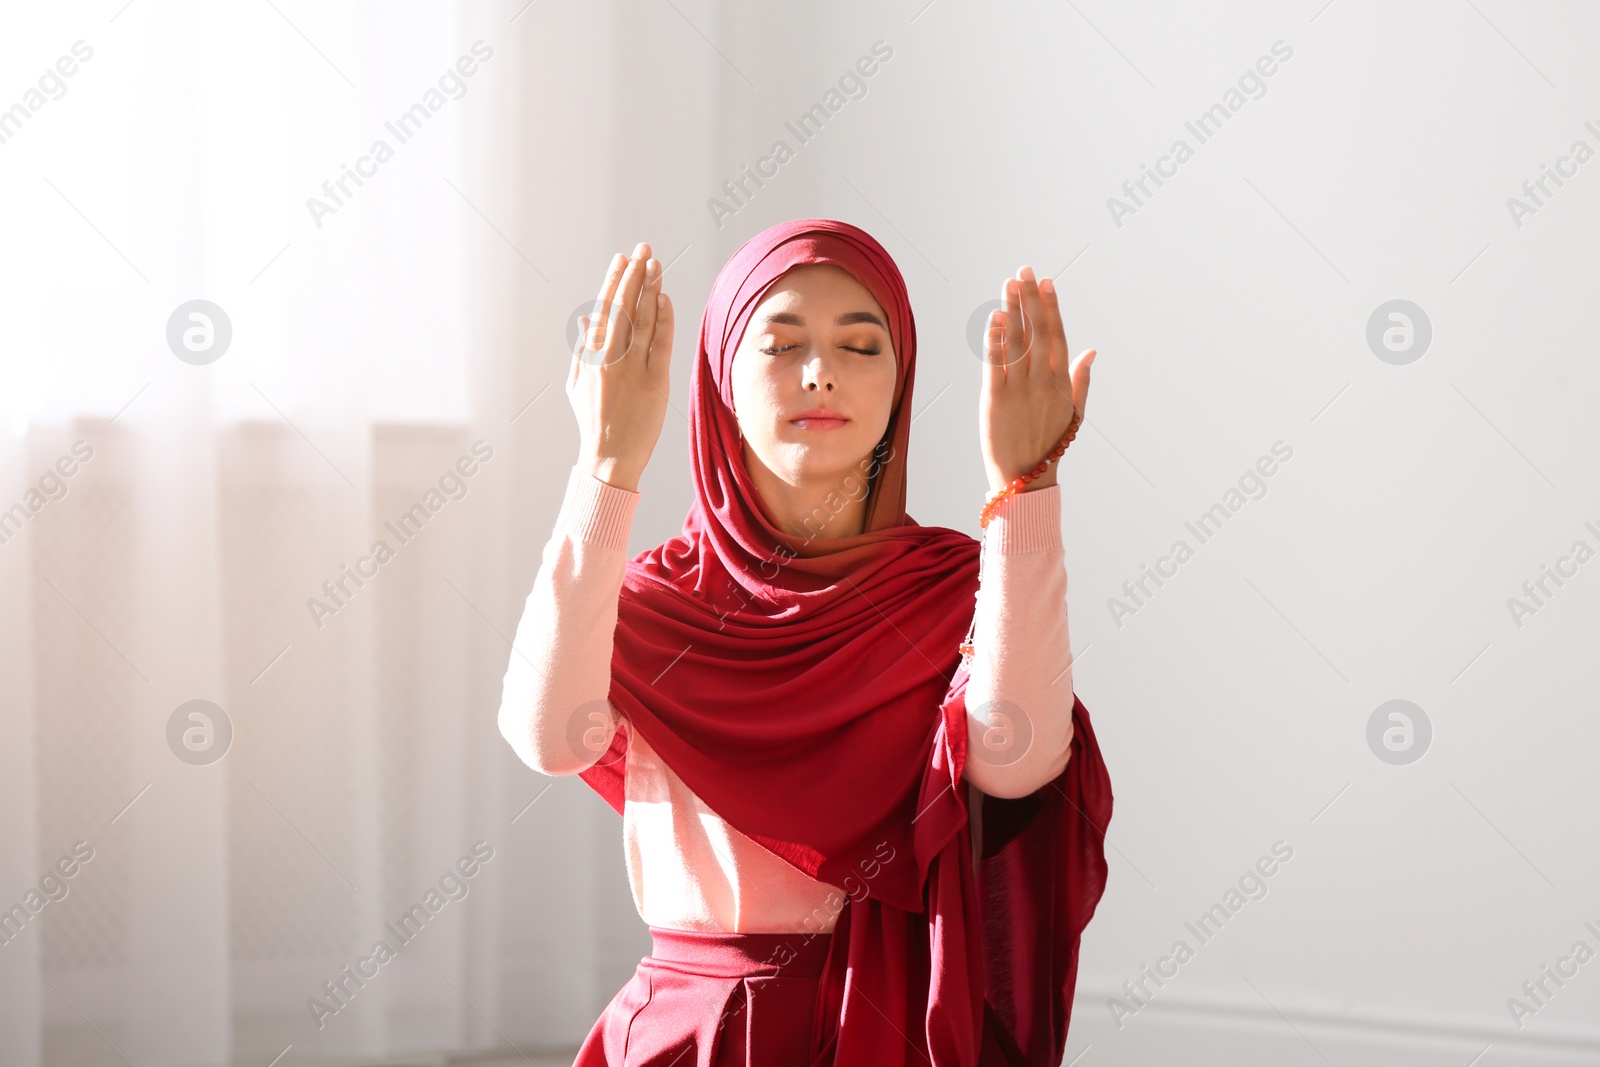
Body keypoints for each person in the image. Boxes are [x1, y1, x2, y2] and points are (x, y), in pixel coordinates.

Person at [497, 219, 1113, 1066]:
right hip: (694, 1033)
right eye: (781, 344)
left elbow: (1017, 760)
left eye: (862, 348)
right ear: (718, 380)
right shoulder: (653, 600)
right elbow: (547, 736)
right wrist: (606, 465)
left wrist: (1026, 489)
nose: (820, 371)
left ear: (900, 385)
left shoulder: (951, 586)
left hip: (895, 1033)